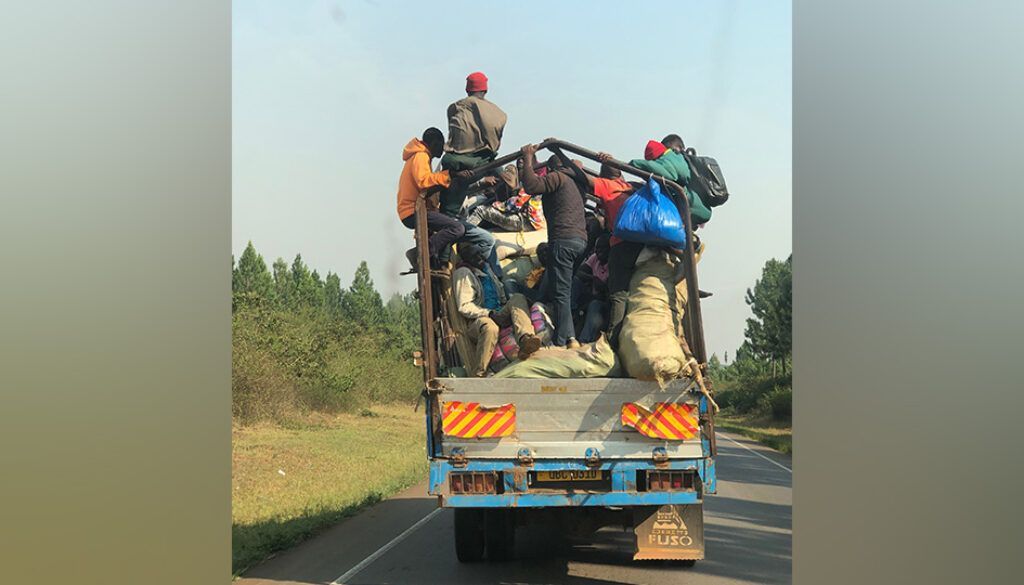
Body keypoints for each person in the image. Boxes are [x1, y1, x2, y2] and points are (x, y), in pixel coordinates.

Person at [520, 143, 588, 349]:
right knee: (565, 290)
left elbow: (531, 186)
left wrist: (528, 158)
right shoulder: (578, 183)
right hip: (580, 242)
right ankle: (571, 336)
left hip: (563, 241)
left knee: (561, 293)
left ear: (551, 169)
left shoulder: (558, 177)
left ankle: (563, 341)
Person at [452, 241, 542, 377]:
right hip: (479, 319)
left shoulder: (487, 270)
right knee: (490, 328)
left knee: (517, 298)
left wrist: (508, 309)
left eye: (479, 252)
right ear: (464, 256)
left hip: (498, 312)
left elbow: (500, 294)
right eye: (472, 252)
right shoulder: (464, 273)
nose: (478, 255)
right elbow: (464, 306)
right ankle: (479, 373)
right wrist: (488, 313)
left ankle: (525, 339)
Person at [396, 127, 466, 272]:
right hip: (413, 211)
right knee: (457, 228)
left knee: (440, 231)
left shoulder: (419, 156)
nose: (442, 150)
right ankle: (421, 253)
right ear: (434, 143)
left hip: (411, 210)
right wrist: (449, 175)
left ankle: (429, 256)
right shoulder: (421, 156)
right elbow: (424, 181)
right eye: (441, 145)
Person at [439, 71, 508, 217]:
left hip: (458, 164)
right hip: (485, 162)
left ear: (467, 90)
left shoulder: (455, 108)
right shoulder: (499, 114)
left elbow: (454, 137)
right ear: (485, 90)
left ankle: (447, 220)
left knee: (448, 204)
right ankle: (508, 195)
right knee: (502, 174)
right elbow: (496, 142)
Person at [629, 136, 712, 226]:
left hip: (692, 208)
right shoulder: (680, 159)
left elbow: (668, 174)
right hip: (698, 209)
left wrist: (634, 163)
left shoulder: (667, 160)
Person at [465, 164, 545, 233]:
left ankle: (463, 234)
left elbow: (510, 206)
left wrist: (495, 205)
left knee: (481, 210)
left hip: (524, 222)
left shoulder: (523, 190)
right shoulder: (529, 185)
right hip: (531, 222)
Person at [572, 233, 611, 343]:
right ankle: (571, 310)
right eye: (597, 248)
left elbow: (611, 293)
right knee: (575, 282)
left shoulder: (613, 264)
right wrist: (593, 279)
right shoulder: (595, 258)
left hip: (604, 304)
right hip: (591, 296)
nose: (599, 252)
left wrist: (603, 287)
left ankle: (584, 341)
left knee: (595, 305)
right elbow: (579, 273)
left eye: (603, 248)